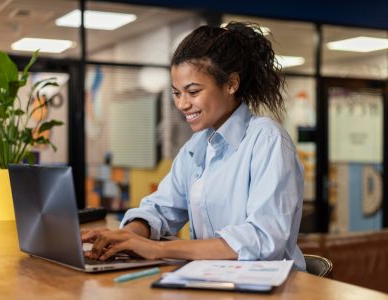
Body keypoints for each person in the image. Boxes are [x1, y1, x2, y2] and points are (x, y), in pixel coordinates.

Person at [82, 21, 306, 270]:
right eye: (177, 93)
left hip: (272, 288)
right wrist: (131, 234)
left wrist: (157, 249)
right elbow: (161, 207)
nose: (182, 104)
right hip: (213, 279)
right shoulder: (197, 146)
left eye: (193, 91)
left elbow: (262, 239)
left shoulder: (267, 140)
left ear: (231, 84)